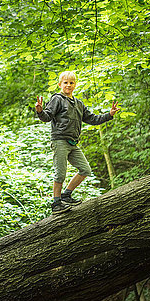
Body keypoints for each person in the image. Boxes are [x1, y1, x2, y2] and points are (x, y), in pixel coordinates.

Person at [35, 71, 120, 214]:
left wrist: (109, 114)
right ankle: (56, 204)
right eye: (65, 82)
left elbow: (93, 119)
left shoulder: (79, 104)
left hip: (73, 143)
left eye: (71, 82)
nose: (68, 85)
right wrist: (40, 111)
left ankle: (66, 195)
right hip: (60, 140)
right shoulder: (57, 99)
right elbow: (47, 117)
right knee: (60, 173)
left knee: (85, 170)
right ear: (60, 84)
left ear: (75, 84)